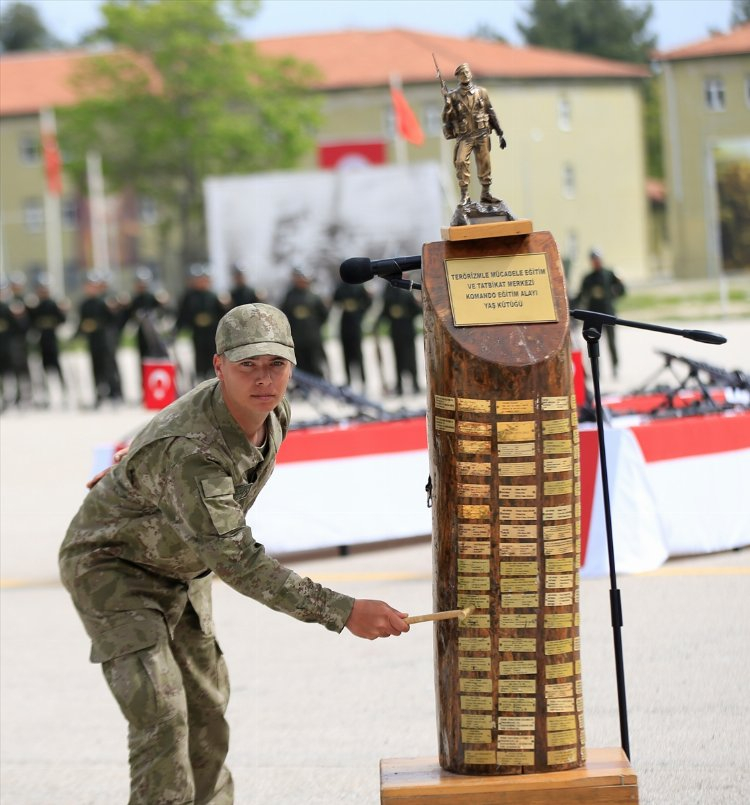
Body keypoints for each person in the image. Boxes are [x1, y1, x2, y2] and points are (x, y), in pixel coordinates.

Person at [59, 303, 410, 803]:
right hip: (115, 567)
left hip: (183, 563)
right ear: (219, 365)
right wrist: (344, 611)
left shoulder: (272, 411)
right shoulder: (190, 452)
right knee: (161, 713)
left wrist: (138, 460)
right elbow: (240, 562)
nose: (263, 380)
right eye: (247, 365)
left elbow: (183, 430)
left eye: (276, 365)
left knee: (206, 711)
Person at [442, 62, 507, 206]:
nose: (465, 75)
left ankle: (486, 193)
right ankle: (465, 195)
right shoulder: (453, 96)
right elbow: (446, 119)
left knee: (485, 163)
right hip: (465, 136)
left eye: (467, 72)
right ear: (458, 77)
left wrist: (500, 133)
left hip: (482, 133)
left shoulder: (482, 92)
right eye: (462, 74)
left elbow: (490, 112)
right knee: (460, 161)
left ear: (470, 74)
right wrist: (447, 105)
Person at [573, 249, 627, 376]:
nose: (596, 262)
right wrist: (572, 305)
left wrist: (616, 291)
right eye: (594, 260)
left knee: (612, 343)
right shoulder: (588, 278)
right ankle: (596, 369)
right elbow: (581, 295)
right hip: (594, 315)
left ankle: (615, 367)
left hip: (608, 313)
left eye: (598, 259)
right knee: (594, 343)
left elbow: (622, 290)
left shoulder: (609, 274)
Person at [174, 264, 227, 385]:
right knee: (198, 357)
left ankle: (215, 379)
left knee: (213, 355)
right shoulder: (189, 297)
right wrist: (177, 330)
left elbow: (222, 315)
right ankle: (199, 379)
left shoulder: (213, 296)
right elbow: (183, 314)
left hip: (212, 333)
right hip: (197, 333)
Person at [76, 272, 123, 407]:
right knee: (96, 367)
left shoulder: (106, 301)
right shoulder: (85, 304)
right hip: (93, 338)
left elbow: (115, 321)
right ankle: (100, 394)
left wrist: (113, 309)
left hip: (106, 338)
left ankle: (115, 393)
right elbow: (83, 322)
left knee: (110, 366)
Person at [279, 268, 329, 378]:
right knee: (301, 365)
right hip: (297, 337)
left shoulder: (314, 295)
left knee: (316, 364)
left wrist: (315, 327)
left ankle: (319, 385)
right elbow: (283, 315)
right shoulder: (290, 295)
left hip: (312, 337)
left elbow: (324, 315)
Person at [27, 275, 68, 406]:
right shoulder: (36, 305)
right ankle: (45, 395)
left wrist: (63, 311)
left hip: (52, 338)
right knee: (42, 369)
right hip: (41, 339)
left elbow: (62, 320)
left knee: (57, 367)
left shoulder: (53, 304)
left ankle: (64, 393)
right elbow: (31, 322)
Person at [378, 284, 423, 396]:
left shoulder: (406, 294)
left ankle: (413, 384)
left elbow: (416, 311)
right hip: (398, 331)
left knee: (410, 359)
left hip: (405, 331)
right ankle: (402, 386)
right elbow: (385, 313)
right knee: (399, 360)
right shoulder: (390, 297)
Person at [332, 280, 372, 388]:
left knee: (358, 354)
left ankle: (363, 380)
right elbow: (335, 300)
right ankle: (348, 379)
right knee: (346, 354)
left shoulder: (359, 286)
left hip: (356, 323)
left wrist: (360, 311)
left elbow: (368, 301)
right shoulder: (340, 287)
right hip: (345, 322)